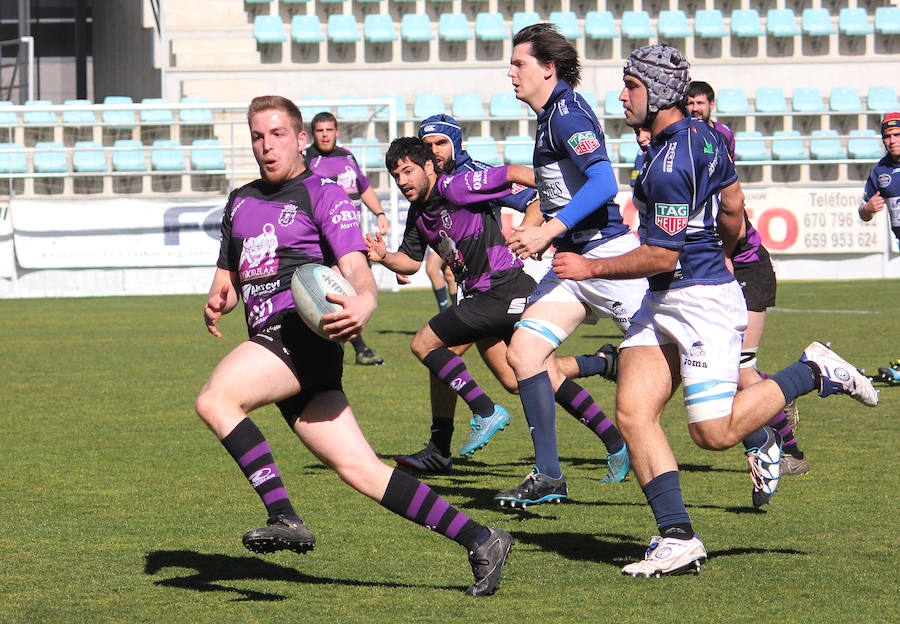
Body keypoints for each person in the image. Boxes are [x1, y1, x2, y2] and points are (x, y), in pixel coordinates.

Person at [552, 44, 878, 577]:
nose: (621, 94)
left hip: (699, 303)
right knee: (634, 414)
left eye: (631, 84)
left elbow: (662, 252)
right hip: (666, 299)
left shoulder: (668, 162)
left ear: (656, 92)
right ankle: (677, 537)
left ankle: (814, 370)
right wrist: (722, 248)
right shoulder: (706, 136)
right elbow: (733, 207)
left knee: (713, 433)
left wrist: (589, 269)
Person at [196, 96, 512, 596]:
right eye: (258, 136)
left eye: (278, 134)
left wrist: (366, 299)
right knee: (362, 469)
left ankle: (284, 515)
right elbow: (229, 277)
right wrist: (220, 300)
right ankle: (481, 538)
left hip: (300, 336)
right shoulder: (240, 201)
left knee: (216, 399)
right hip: (271, 343)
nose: (266, 145)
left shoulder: (323, 193)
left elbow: (355, 265)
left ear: (301, 139)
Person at [372, 138, 629, 490]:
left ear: (429, 167)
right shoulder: (419, 214)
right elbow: (412, 263)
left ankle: (484, 412)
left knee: (424, 344)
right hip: (489, 297)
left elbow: (510, 173)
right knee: (532, 377)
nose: (401, 181)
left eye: (407, 171)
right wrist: (384, 256)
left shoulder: (457, 185)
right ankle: (616, 444)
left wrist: (552, 189)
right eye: (395, 174)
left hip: (501, 290)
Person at [498, 23, 648, 507]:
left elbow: (605, 185)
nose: (511, 72)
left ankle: (766, 427)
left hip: (606, 255)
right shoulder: (549, 116)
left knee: (683, 357)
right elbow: (565, 187)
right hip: (573, 260)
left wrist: (548, 229)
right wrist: (539, 225)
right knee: (523, 352)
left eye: (519, 63)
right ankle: (548, 476)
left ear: (548, 68)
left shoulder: (565, 115)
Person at [686, 80, 808, 482]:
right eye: (689, 103)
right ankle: (777, 406)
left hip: (747, 269)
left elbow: (729, 209)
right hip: (726, 271)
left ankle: (787, 442)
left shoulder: (714, 141)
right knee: (736, 369)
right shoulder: (681, 152)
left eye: (700, 103)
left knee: (741, 369)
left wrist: (723, 256)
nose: (694, 109)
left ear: (710, 105)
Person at [304, 111, 387, 366]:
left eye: (329, 130)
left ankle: (348, 347)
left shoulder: (348, 157)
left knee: (346, 291)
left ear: (337, 132)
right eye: (320, 130)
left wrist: (380, 212)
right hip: (323, 239)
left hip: (350, 237)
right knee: (335, 291)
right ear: (312, 134)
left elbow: (363, 188)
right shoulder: (307, 160)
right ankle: (356, 348)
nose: (325, 135)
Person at [859, 111, 900, 245]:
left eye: (897, 135)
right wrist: (868, 209)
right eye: (887, 136)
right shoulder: (879, 171)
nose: (892, 141)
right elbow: (863, 212)